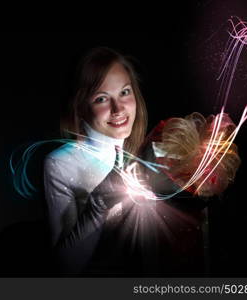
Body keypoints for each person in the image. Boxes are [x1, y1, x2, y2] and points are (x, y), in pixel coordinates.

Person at [43, 47, 148, 275]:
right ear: (80, 107)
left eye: (124, 92)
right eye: (102, 99)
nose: (118, 109)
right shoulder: (60, 164)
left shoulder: (145, 150)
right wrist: (97, 207)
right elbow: (65, 267)